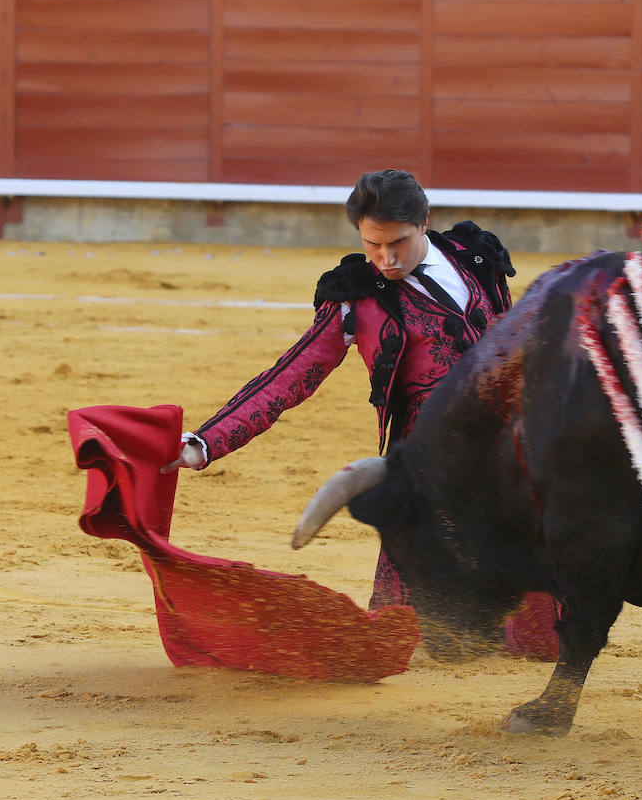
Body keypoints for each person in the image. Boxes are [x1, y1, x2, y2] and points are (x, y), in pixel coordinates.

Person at [160, 169, 557, 659]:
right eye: (372, 245)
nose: (386, 259)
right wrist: (204, 443)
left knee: (544, 641)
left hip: (509, 457)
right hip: (427, 469)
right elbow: (288, 377)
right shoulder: (357, 300)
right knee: (388, 639)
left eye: (398, 244)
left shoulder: (477, 259)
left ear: (425, 224)